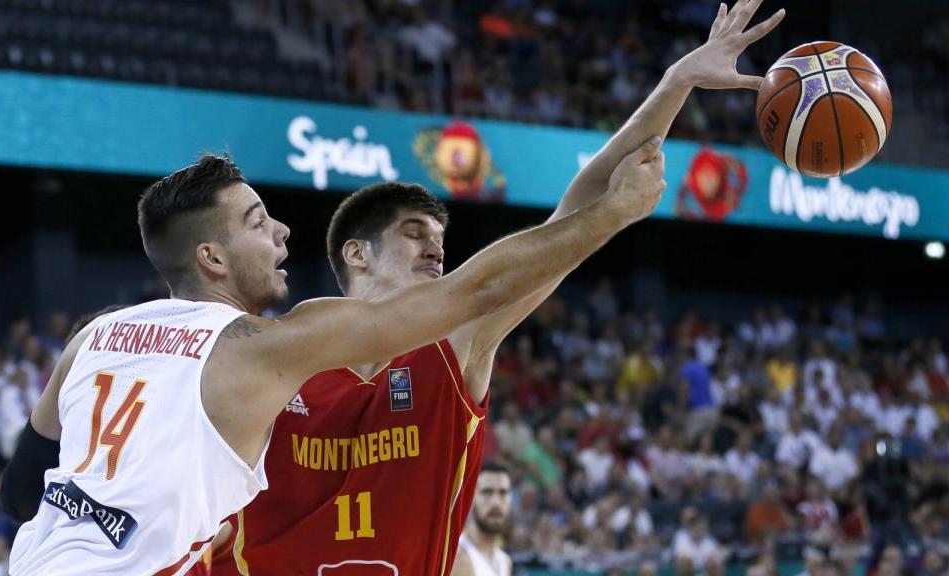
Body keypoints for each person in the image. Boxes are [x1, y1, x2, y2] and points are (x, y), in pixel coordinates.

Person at [214, 1, 783, 574]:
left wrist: (677, 81)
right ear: (357, 254)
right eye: (414, 234)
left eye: (439, 236)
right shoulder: (279, 354)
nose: (435, 248)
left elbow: (574, 207)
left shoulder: (454, 343)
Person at [2, 121, 664, 575]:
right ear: (212, 257)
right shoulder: (258, 350)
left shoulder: (96, 336)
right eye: (259, 222)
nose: (283, 232)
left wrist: (103, 512)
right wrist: (613, 215)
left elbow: (20, 490)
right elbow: (472, 294)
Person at [451, 461, 513, 576]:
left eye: (503, 493)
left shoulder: (504, 561)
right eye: (487, 492)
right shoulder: (457, 558)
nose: (496, 502)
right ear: (471, 497)